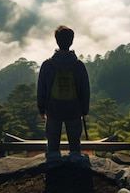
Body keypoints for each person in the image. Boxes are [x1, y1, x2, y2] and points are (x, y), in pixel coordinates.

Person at [37, 25, 90, 157]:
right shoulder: (78, 65)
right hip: (74, 109)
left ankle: (53, 173)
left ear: (57, 41)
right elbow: (85, 89)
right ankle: (75, 172)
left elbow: (41, 88)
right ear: (71, 41)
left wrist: (41, 109)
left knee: (53, 145)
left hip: (53, 109)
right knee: (75, 145)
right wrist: (84, 110)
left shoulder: (48, 65)